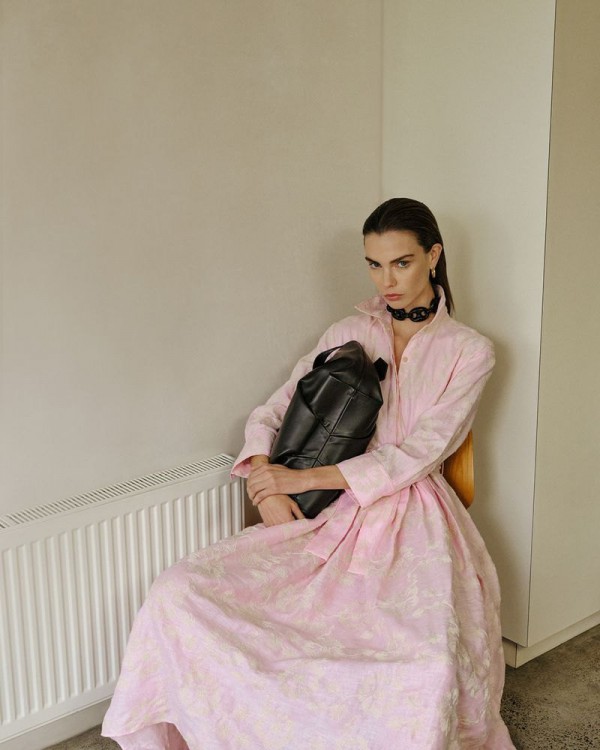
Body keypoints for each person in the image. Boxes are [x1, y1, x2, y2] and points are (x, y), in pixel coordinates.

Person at [102, 198, 515, 749]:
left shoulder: (470, 351)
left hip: (411, 516)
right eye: (374, 264)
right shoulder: (347, 333)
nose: (387, 281)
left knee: (422, 666)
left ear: (433, 256)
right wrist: (264, 482)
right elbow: (271, 413)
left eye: (402, 263)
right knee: (179, 590)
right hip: (324, 516)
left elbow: (420, 453)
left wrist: (300, 481)